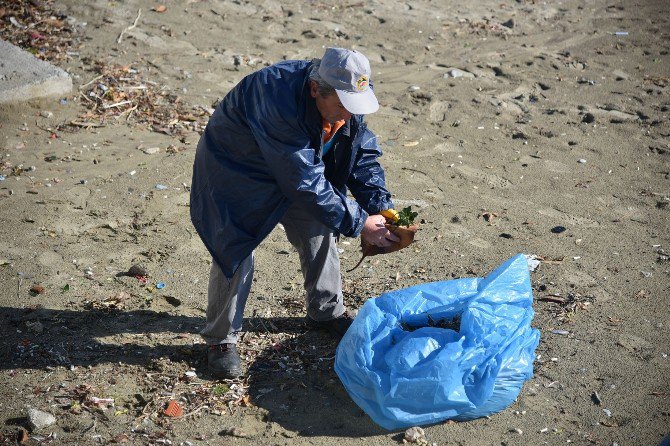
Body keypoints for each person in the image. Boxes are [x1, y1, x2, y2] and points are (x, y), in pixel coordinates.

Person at [190, 47, 399, 379]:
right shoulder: (275, 99)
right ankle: (220, 339)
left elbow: (360, 154)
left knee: (320, 222)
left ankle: (326, 312)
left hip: (299, 169)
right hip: (238, 169)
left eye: (354, 107)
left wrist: (380, 206)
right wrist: (360, 222)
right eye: (343, 107)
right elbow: (302, 180)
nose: (348, 115)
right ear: (316, 89)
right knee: (235, 247)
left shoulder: (345, 98)